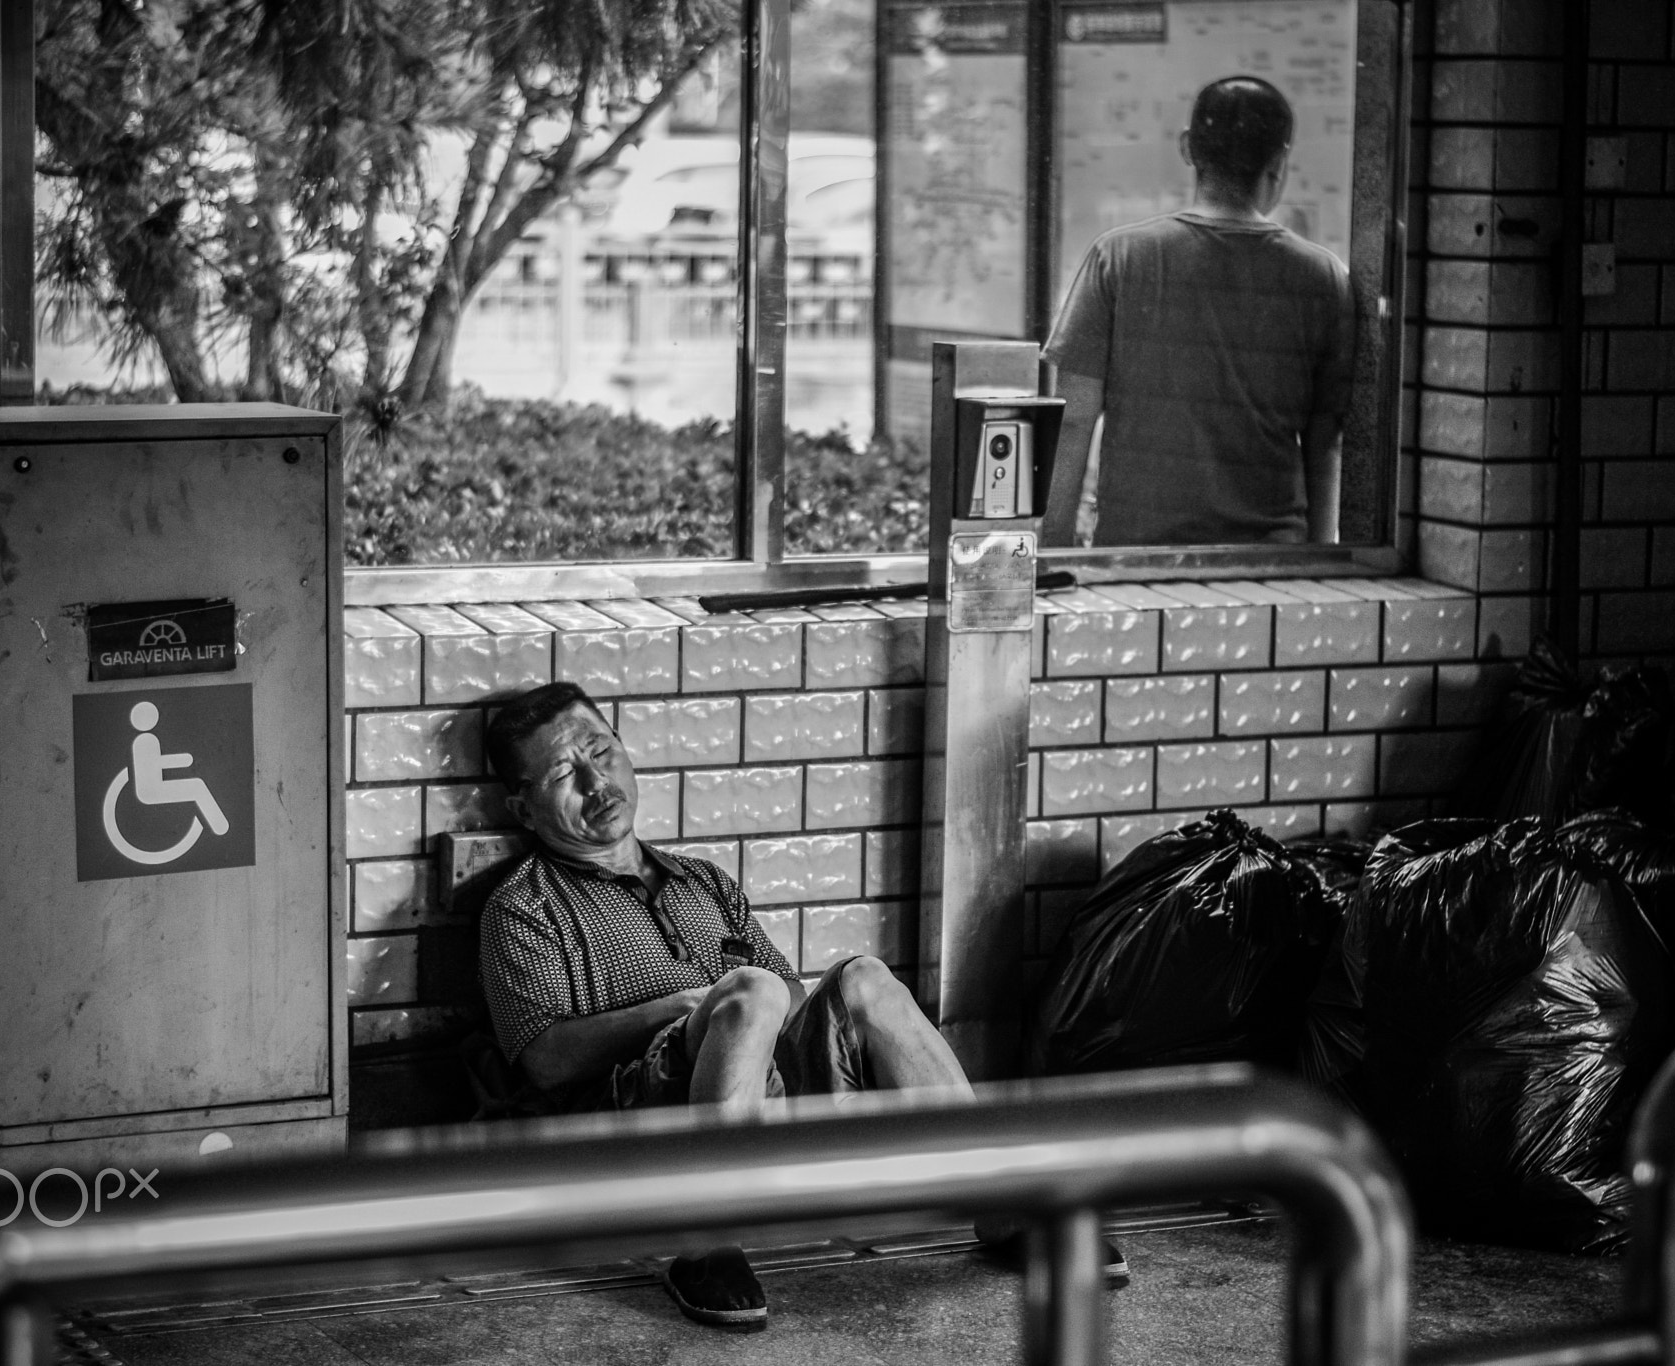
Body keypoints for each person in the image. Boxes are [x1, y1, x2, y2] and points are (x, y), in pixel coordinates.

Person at [478, 681, 983, 1331]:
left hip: (764, 1093)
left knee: (865, 978)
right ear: (524, 810)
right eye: (563, 774)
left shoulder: (704, 880)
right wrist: (694, 1005)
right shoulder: (522, 906)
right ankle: (706, 1241)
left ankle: (1000, 1198)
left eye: (602, 753)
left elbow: (791, 994)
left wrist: (753, 1010)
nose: (596, 782)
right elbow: (545, 1061)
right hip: (647, 1114)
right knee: (752, 990)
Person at [1041, 75, 1355, 548]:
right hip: (1270, 563)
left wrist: (1054, 554)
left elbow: (1073, 420)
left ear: (1188, 147)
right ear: (1279, 161)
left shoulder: (1118, 258)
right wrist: (1318, 558)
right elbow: (1324, 440)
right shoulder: (1322, 278)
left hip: (1137, 558)